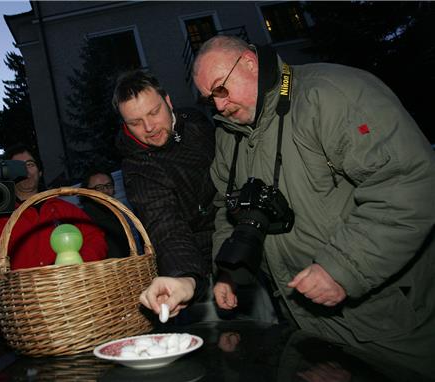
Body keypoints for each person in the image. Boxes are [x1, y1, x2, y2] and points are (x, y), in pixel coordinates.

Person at [191, 35, 435, 376]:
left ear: (249, 62)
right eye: (209, 99)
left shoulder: (331, 93)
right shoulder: (228, 133)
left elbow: (406, 183)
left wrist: (342, 267)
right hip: (309, 326)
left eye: (221, 89)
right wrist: (229, 272)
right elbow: (227, 210)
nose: (218, 106)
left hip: (387, 319)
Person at [0, 143, 107, 336]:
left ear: (40, 171)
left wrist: (74, 267)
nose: (25, 170)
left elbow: (96, 239)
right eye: (17, 166)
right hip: (22, 321)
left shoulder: (63, 208)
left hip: (72, 312)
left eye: (30, 164)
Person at [112, 69, 218, 321]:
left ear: (168, 102)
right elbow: (164, 223)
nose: (149, 128)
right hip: (200, 261)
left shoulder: (196, 121)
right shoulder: (137, 167)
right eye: (135, 123)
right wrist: (185, 276)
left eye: (153, 112)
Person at [80, 169, 130, 259]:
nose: (105, 190)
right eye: (98, 188)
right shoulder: (86, 218)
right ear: (86, 192)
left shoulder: (114, 213)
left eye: (108, 185)